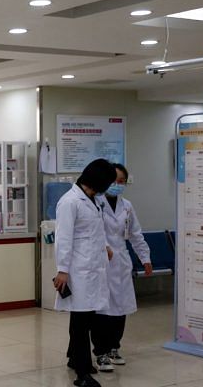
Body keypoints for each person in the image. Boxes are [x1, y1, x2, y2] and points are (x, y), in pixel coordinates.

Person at [54, 158, 116, 387]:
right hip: (77, 271)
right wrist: (62, 270)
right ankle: (82, 374)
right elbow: (64, 239)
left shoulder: (93, 199)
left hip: (92, 267)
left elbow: (94, 231)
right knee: (80, 322)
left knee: (86, 318)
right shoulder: (70, 202)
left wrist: (105, 247)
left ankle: (75, 359)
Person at [90, 163, 152, 370]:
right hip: (102, 259)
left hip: (121, 260)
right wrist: (104, 246)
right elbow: (92, 232)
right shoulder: (95, 203)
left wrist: (145, 258)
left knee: (121, 307)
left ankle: (114, 347)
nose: (118, 184)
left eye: (122, 181)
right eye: (114, 180)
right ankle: (100, 352)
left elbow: (135, 234)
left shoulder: (127, 205)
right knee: (103, 309)